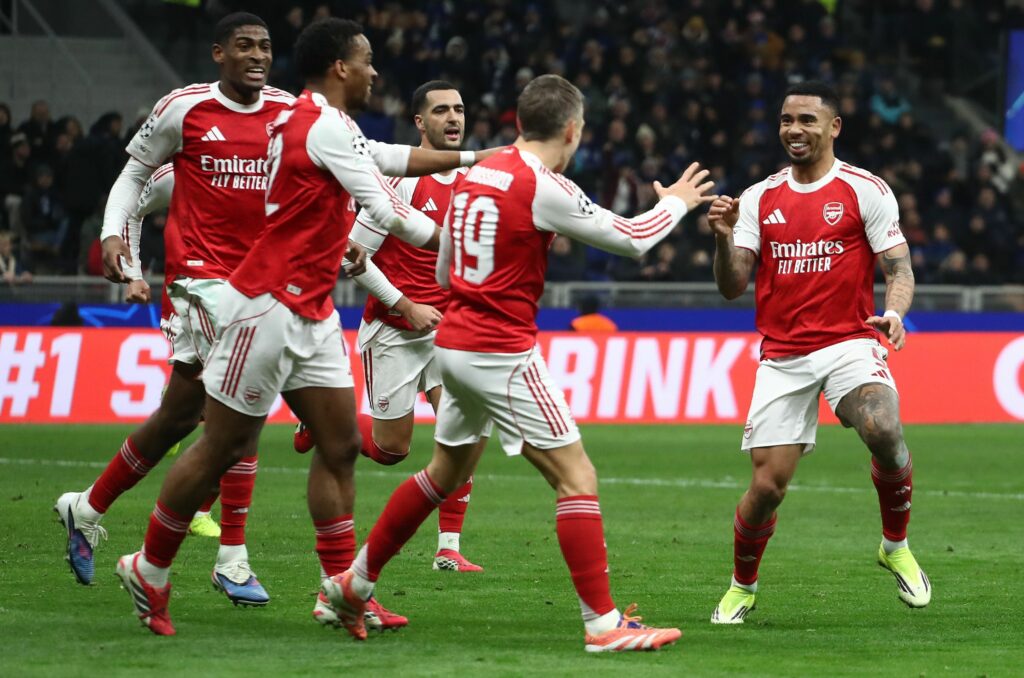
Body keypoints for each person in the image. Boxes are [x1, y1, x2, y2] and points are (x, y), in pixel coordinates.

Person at [114, 17, 495, 637]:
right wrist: (474, 250)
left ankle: (337, 590)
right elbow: (386, 210)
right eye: (367, 61)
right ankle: (149, 566)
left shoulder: (322, 122)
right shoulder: (321, 125)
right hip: (265, 306)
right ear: (341, 67)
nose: (375, 72)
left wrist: (479, 157)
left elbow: (391, 158)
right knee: (220, 447)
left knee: (341, 446)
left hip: (312, 310)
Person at [323, 74, 715, 652]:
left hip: (453, 342)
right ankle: (603, 625)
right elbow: (633, 238)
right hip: (499, 351)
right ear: (572, 130)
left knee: (442, 474)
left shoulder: (478, 173)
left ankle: (353, 584)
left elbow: (443, 268)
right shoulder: (542, 184)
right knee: (576, 478)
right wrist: (676, 202)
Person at [53, 12, 295, 607]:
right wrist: (120, 248)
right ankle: (231, 559)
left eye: (265, 46)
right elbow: (134, 181)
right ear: (218, 53)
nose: (257, 55)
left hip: (259, 288)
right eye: (244, 45)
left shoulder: (289, 114)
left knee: (178, 419)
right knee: (242, 413)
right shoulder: (184, 111)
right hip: (202, 287)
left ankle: (86, 507)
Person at [707, 80, 928, 625]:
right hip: (783, 355)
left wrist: (895, 313)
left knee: (883, 427)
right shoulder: (759, 198)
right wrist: (723, 237)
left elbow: (899, 268)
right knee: (767, 488)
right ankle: (742, 586)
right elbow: (732, 285)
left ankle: (895, 544)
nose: (794, 130)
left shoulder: (864, 189)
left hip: (850, 341)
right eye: (787, 120)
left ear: (834, 127)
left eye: (807, 119)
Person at [296, 80, 486, 576]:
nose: (453, 118)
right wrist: (406, 305)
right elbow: (352, 255)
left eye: (459, 109)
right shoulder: (398, 181)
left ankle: (448, 548)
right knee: (390, 450)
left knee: (464, 432)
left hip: (448, 333)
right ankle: (319, 421)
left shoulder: (477, 182)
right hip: (395, 329)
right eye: (441, 110)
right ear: (419, 122)